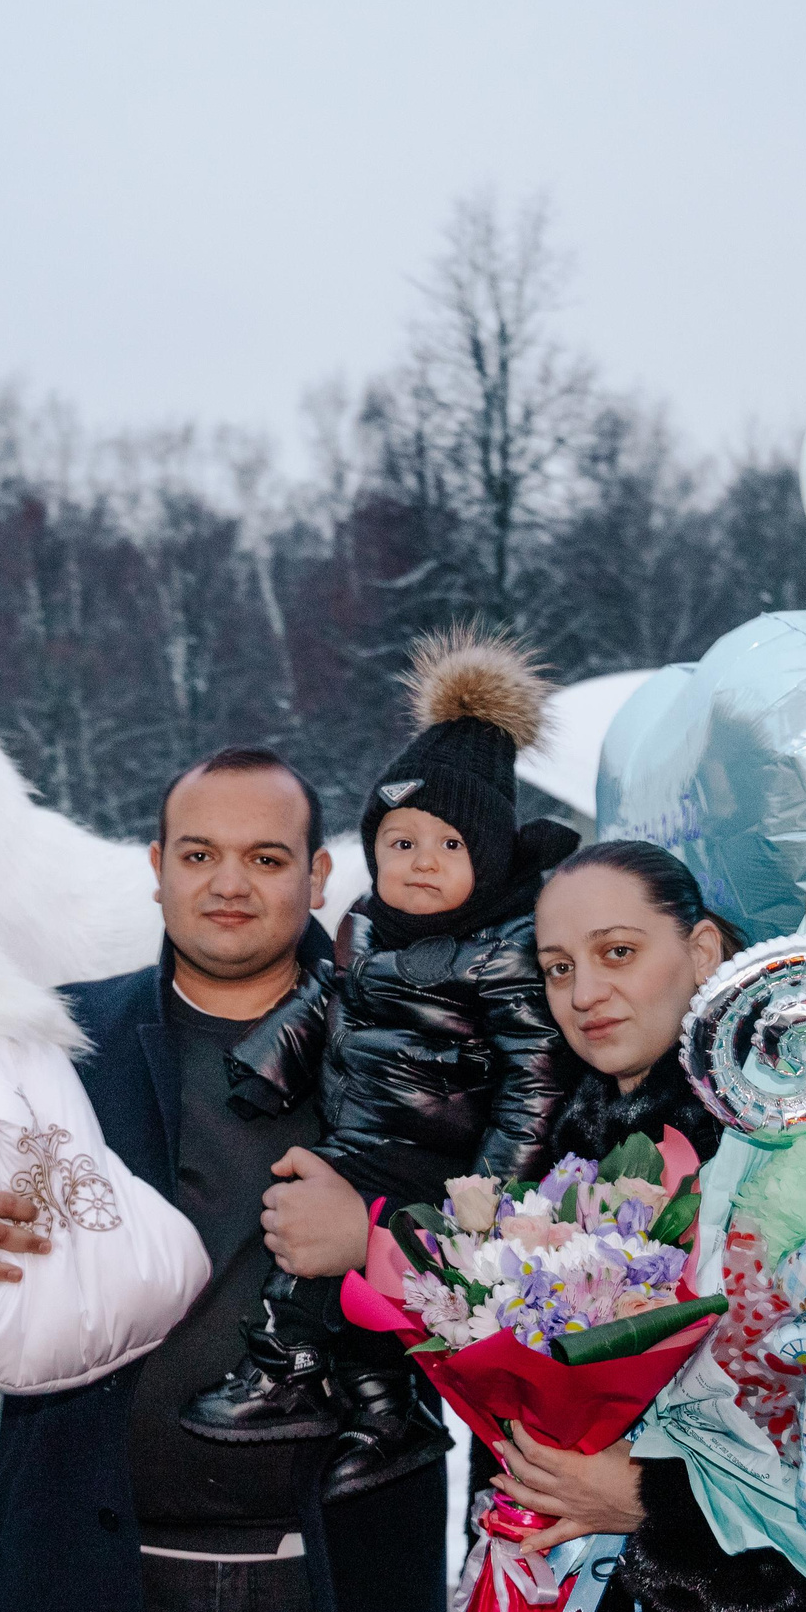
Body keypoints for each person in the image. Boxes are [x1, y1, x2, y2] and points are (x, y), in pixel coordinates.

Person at [0, 746, 447, 1612]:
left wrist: (375, 1239)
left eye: (267, 857)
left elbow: (506, 1247)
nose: (230, 883)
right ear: (155, 866)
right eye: (199, 855)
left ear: (320, 875)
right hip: (95, 1580)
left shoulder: (412, 1047)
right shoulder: (60, 1041)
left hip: (337, 1577)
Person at [483, 839, 806, 1612]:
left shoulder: (786, 1145)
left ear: (702, 950)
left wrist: (652, 1501)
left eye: (617, 951)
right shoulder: (563, 1155)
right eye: (558, 968)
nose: (584, 992)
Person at [183, 631, 576, 1501]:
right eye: (400, 843)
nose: (419, 865)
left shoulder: (505, 951)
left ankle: (283, 1362)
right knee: (347, 1259)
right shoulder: (365, 927)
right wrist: (268, 1061)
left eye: (446, 846)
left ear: (490, 857)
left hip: (431, 1141)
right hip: (368, 1121)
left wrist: (494, 1194)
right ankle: (382, 1406)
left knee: (315, 1227)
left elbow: (534, 1079)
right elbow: (326, 995)